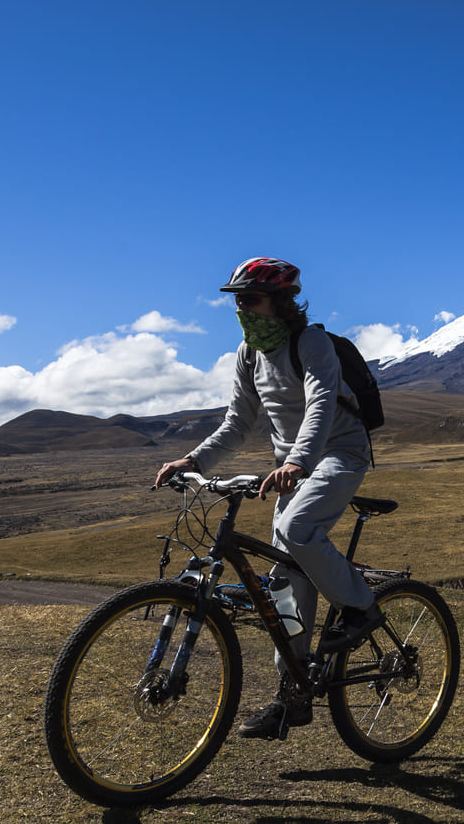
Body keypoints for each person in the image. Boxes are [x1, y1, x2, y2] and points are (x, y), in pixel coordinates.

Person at [153, 256, 382, 739]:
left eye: (250, 299)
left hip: (338, 453)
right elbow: (237, 423)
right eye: (237, 301)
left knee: (297, 530)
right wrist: (192, 462)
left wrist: (298, 462)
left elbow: (321, 402)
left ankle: (361, 607)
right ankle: (292, 696)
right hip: (291, 466)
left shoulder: (312, 342)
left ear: (280, 301)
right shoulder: (248, 353)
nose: (242, 309)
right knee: (286, 574)